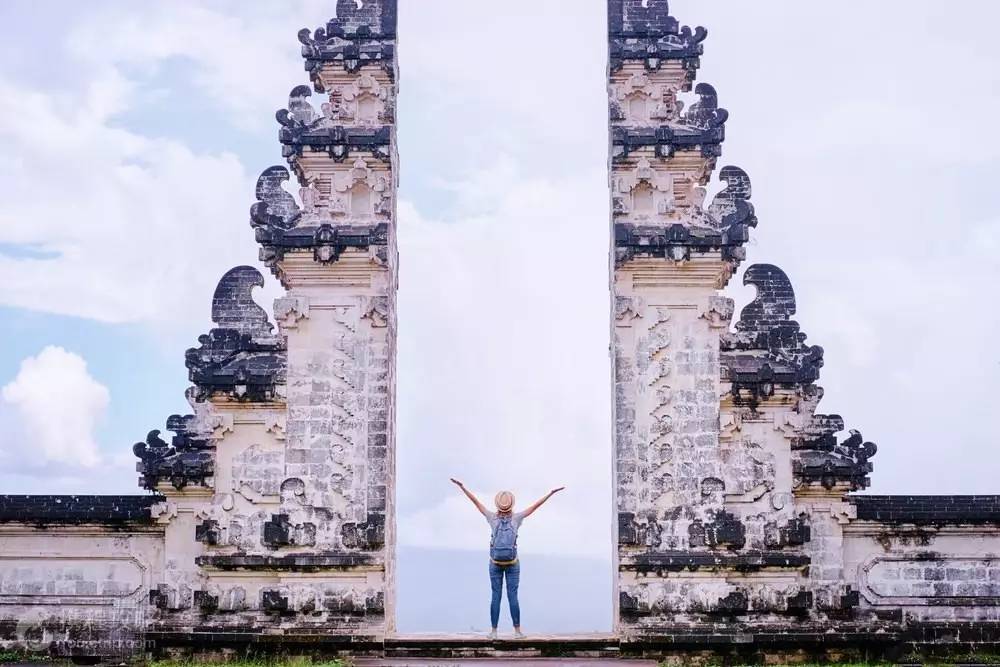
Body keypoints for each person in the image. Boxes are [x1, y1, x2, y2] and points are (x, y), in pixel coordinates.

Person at [450, 478, 565, 639]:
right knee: (513, 596)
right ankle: (517, 632)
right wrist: (550, 493)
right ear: (512, 504)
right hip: (512, 563)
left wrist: (462, 487)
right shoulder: (517, 518)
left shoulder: (491, 517)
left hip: (495, 563)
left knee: (495, 595)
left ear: (498, 505)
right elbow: (536, 506)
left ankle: (494, 632)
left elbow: (475, 501)